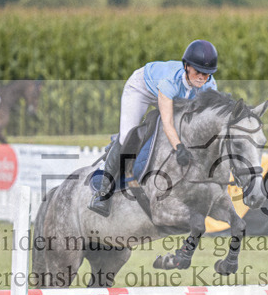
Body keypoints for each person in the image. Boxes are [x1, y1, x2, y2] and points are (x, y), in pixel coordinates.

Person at [89, 39, 219, 216]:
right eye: (198, 72)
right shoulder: (170, 81)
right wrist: (179, 148)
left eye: (207, 74)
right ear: (187, 66)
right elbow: (167, 123)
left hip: (175, 99)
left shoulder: (210, 86)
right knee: (127, 137)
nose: (202, 78)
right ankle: (103, 191)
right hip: (142, 89)